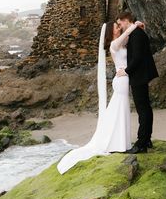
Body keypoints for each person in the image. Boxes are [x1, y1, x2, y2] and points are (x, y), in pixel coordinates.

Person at [56, 17, 145, 174]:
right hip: (122, 79)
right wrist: (134, 25)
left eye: (119, 26)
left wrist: (139, 29)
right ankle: (119, 143)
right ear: (111, 32)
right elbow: (127, 36)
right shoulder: (114, 44)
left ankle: (121, 143)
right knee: (120, 109)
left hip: (124, 78)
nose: (119, 28)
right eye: (116, 27)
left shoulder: (121, 43)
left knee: (120, 110)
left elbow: (132, 43)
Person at [115, 10, 159, 154]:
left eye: (120, 23)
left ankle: (142, 144)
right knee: (145, 108)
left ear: (126, 20)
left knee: (143, 110)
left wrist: (126, 71)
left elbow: (137, 58)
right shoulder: (136, 33)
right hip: (141, 75)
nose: (120, 26)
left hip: (139, 76)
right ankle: (146, 139)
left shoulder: (137, 35)